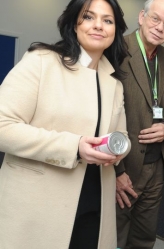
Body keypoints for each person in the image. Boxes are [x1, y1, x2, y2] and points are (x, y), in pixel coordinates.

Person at [0, 0, 130, 248]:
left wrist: (120, 150)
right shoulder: (42, 61)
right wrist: (74, 146)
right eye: (89, 17)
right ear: (74, 22)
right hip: (39, 202)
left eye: (108, 20)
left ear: (116, 31)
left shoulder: (113, 81)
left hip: (95, 200)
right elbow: (2, 125)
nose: (99, 26)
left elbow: (121, 135)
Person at [114, 0, 164, 248]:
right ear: (142, 17)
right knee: (115, 235)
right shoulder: (117, 50)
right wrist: (117, 172)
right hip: (125, 164)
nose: (160, 27)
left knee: (144, 237)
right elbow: (105, 111)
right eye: (155, 19)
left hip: (157, 165)